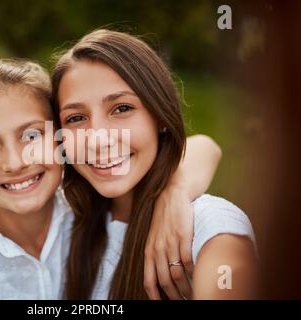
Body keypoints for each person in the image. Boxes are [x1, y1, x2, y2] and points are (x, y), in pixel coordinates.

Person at [0, 57, 220, 299]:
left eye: (33, 135)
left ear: (61, 138)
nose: (15, 162)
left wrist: (173, 191)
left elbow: (204, 146)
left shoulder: (96, 207)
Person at [51, 29, 258, 299]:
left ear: (159, 115)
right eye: (76, 118)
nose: (98, 140)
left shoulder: (207, 222)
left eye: (122, 108)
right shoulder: (63, 218)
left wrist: (176, 189)